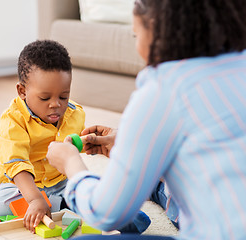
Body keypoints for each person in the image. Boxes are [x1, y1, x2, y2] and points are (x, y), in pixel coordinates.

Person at [46, 0, 246, 239]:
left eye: (135, 35)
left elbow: (107, 213)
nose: (137, 47)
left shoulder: (163, 88)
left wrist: (71, 165)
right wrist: (132, 142)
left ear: (156, 31)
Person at [0, 39, 151, 234]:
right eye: (45, 98)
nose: (55, 104)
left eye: (63, 96)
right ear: (22, 91)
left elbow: (72, 148)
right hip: (23, 186)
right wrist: (34, 199)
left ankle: (114, 212)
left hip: (61, 183)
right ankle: (69, 205)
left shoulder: (75, 113)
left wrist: (88, 143)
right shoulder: (12, 121)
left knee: (96, 189)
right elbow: (16, 165)